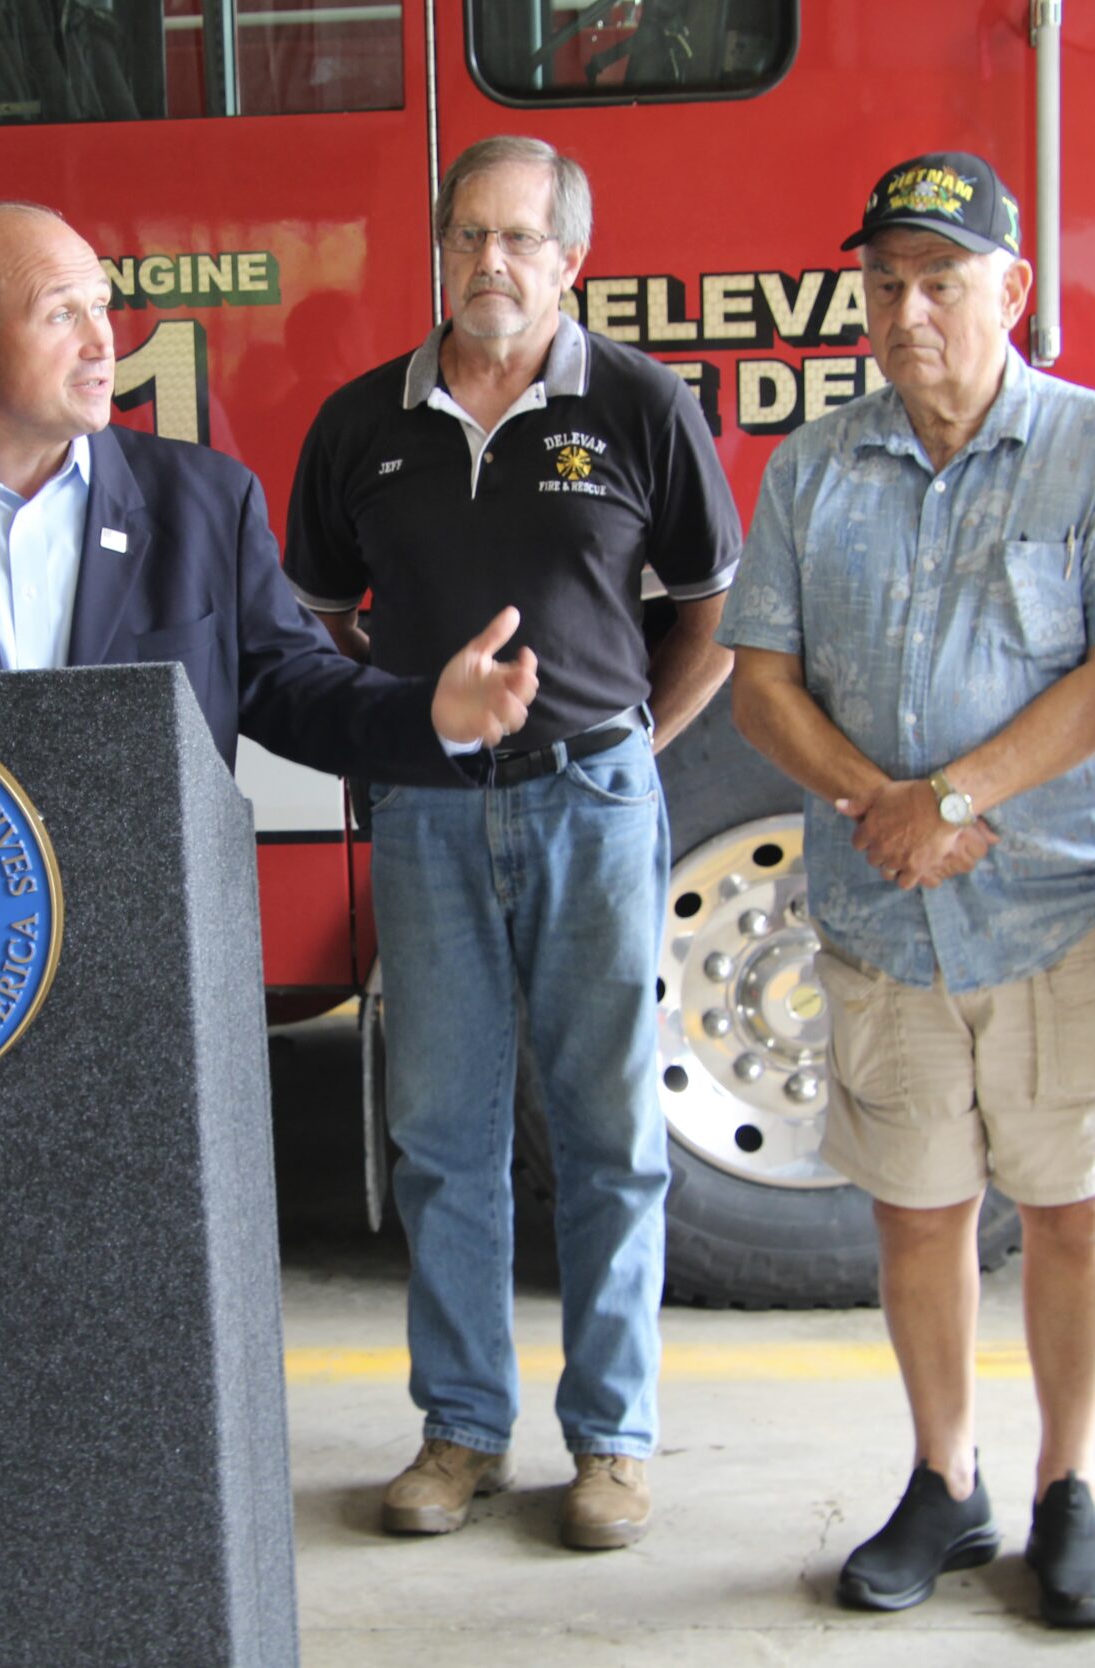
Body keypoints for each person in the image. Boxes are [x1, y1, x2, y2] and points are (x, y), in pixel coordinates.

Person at [717, 151, 1095, 1625]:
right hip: (885, 914)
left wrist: (961, 798)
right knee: (917, 1214)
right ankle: (948, 1483)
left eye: (941, 279)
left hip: (1064, 909)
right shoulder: (815, 467)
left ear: (1013, 289)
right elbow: (760, 687)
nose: (908, 309)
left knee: (1067, 1208)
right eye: (885, 283)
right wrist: (888, 808)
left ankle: (1069, 1491)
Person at [282, 135, 741, 1552]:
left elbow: (712, 621)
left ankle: (612, 1444)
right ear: (440, 248)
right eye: (469, 235)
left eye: (521, 240)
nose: (492, 262)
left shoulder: (645, 407)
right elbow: (325, 616)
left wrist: (625, 754)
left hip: (593, 803)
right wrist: (423, 722)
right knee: (442, 1136)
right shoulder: (364, 424)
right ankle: (462, 1432)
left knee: (608, 1130)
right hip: (426, 813)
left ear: (571, 259)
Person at [0, 200, 539, 789]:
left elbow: (294, 688)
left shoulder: (204, 502)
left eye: (100, 306)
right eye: (61, 315)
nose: (103, 341)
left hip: (156, 941)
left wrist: (433, 716)